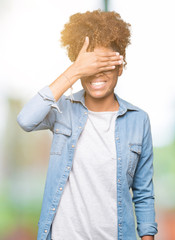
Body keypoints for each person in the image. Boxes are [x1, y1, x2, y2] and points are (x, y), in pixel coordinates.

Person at [17, 9, 158, 240]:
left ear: (120, 67)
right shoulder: (64, 110)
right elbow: (25, 119)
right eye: (90, 65)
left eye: (105, 63)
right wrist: (74, 71)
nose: (97, 73)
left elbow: (143, 193)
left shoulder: (138, 120)